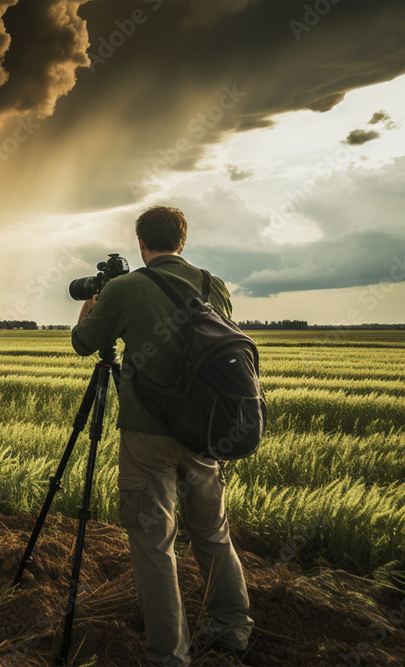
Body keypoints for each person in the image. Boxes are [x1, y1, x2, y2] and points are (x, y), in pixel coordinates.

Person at [70, 206, 254, 666]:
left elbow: (83, 342)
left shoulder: (126, 287)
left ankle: (169, 656)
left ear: (141, 244)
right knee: (212, 532)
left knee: (154, 543)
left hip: (148, 433)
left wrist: (89, 306)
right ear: (183, 241)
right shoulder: (215, 286)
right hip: (208, 432)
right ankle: (233, 631)